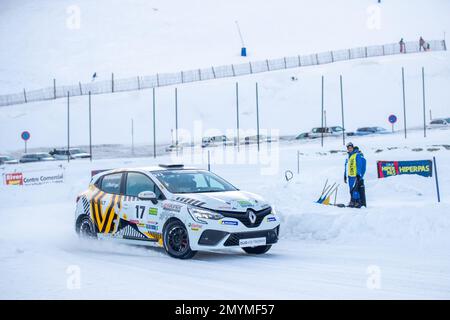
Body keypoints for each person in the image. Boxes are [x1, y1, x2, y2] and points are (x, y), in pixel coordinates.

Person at [344, 142, 367, 208]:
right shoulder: (348, 156)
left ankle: (357, 202)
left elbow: (359, 165)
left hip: (355, 175)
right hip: (349, 176)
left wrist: (358, 174)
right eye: (348, 148)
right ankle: (352, 201)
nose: (349, 149)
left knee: (355, 190)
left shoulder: (356, 155)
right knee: (351, 190)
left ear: (353, 148)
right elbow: (346, 166)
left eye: (351, 148)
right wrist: (345, 176)